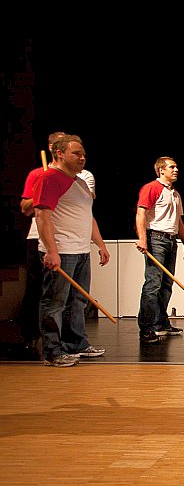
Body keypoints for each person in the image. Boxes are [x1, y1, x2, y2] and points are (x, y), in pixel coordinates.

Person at [33, 134, 110, 367]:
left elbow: (88, 216)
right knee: (55, 302)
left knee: (78, 300)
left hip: (80, 249)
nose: (82, 158)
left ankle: (76, 343)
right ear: (59, 153)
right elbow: (42, 215)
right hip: (62, 249)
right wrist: (51, 250)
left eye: (83, 154)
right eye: (76, 153)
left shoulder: (80, 182)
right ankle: (52, 351)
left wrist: (100, 244)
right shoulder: (49, 178)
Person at [17, 131, 65, 358]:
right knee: (36, 287)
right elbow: (25, 209)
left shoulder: (74, 177)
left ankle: (60, 339)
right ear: (52, 148)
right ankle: (30, 335)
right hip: (38, 236)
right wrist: (41, 189)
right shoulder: (37, 174)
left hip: (63, 237)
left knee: (58, 292)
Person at [135, 157, 184, 344]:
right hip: (156, 239)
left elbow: (178, 220)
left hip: (171, 240)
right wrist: (142, 239)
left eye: (176, 167)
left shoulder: (175, 193)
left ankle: (160, 323)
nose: (176, 170)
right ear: (161, 170)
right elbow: (141, 213)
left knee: (166, 284)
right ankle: (147, 328)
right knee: (153, 284)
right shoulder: (152, 188)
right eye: (172, 167)